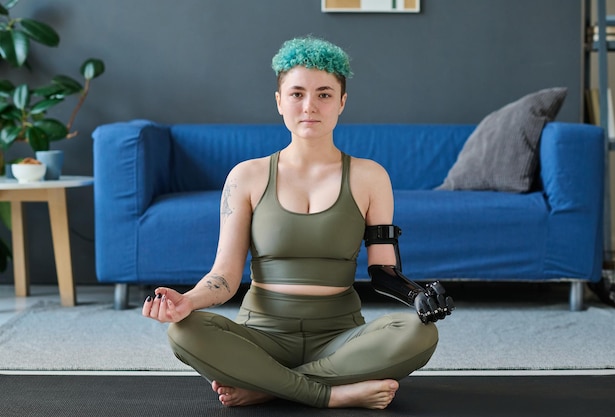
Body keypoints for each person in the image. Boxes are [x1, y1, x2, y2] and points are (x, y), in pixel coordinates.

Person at [142, 36, 453, 410]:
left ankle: (268, 385)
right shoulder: (247, 175)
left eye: (324, 94)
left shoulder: (371, 177)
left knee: (418, 334)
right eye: (296, 94)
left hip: (340, 334)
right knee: (184, 331)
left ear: (342, 102)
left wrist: (416, 295)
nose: (310, 106)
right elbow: (224, 276)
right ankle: (330, 392)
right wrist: (186, 301)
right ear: (279, 102)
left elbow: (383, 271)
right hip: (262, 332)